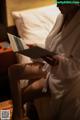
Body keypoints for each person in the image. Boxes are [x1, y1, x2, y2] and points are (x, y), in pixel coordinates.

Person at [8, 0, 80, 120]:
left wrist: (57, 61)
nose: (57, 6)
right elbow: (52, 44)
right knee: (12, 70)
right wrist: (34, 48)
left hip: (62, 74)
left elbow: (76, 66)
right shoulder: (61, 17)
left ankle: (19, 113)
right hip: (49, 64)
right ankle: (18, 113)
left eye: (61, 3)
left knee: (23, 95)